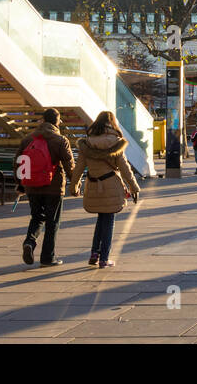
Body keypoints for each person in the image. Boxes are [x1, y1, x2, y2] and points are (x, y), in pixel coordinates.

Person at [69, 111, 140, 268]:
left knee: (101, 219)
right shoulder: (116, 142)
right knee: (108, 221)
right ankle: (104, 258)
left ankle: (94, 253)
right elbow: (124, 168)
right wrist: (134, 186)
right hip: (111, 185)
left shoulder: (87, 143)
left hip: (93, 185)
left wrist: (73, 185)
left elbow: (79, 167)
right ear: (112, 124)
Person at [15, 109, 76, 267]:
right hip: (53, 187)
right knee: (52, 222)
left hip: (32, 186)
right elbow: (69, 164)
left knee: (36, 217)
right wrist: (75, 183)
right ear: (57, 121)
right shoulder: (60, 140)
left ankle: (30, 242)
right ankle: (48, 258)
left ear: (43, 120)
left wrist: (21, 184)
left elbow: (18, 162)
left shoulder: (28, 139)